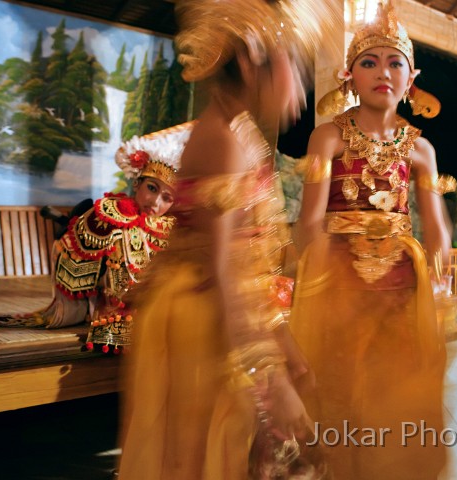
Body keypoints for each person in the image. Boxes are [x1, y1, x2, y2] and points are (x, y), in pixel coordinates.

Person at [116, 1, 340, 478]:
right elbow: (220, 271)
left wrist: (286, 347)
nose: (299, 88)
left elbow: (252, 261)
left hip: (235, 310)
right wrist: (268, 376)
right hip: (206, 319)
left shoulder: (242, 135)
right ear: (248, 63)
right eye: (292, 69)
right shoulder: (222, 140)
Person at [290, 1, 455, 478]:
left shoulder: (421, 148)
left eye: (394, 62)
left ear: (411, 78)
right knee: (337, 386)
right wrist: (314, 285)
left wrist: (441, 285)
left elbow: (436, 226)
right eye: (369, 62)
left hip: (403, 284)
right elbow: (309, 220)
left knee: (396, 388)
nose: (383, 71)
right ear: (349, 75)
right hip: (339, 280)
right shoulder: (328, 137)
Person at [0, 123, 190, 354]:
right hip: (113, 315)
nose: (155, 202)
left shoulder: (172, 229)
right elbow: (80, 262)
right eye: (152, 188)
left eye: (167, 198)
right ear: (137, 183)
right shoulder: (109, 215)